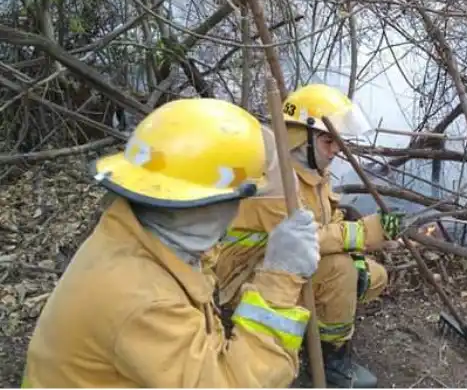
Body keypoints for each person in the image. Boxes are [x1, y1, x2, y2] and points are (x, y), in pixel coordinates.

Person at [22, 98, 320, 388]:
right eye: (239, 198)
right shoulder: (144, 299)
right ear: (212, 204)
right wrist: (280, 279)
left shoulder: (134, 232)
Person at [214, 84, 404, 388]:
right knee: (340, 271)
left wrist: (357, 249)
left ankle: (310, 323)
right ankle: (332, 360)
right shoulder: (276, 182)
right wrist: (366, 232)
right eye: (328, 141)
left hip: (285, 266)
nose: (336, 149)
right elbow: (304, 238)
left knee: (371, 276)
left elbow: (329, 218)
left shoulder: (311, 171)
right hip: (249, 277)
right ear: (301, 139)